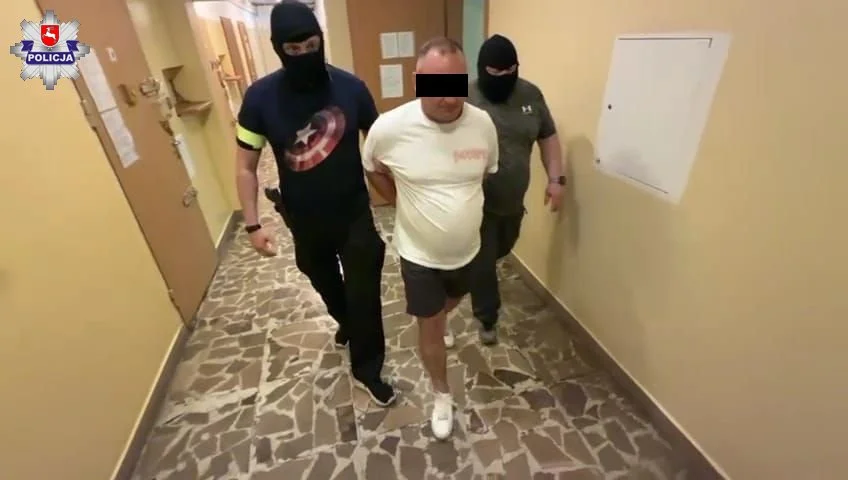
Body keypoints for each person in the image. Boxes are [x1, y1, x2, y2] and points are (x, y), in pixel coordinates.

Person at [234, 0, 395, 407]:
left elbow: (381, 147)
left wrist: (401, 194)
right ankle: (347, 323)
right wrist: (253, 224)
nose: (305, 54)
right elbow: (246, 167)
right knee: (321, 278)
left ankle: (368, 368)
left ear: (321, 39)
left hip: (353, 212)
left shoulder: (351, 88)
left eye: (311, 45)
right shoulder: (259, 99)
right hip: (304, 218)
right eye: (294, 49)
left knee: (364, 291)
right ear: (278, 49)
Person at [362, 37, 499, 439]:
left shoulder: (482, 124)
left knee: (449, 304)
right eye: (437, 86)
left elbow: (484, 173)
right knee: (431, 327)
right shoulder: (390, 128)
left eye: (457, 84)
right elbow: (372, 166)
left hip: (468, 250)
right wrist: (399, 200)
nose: (448, 98)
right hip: (419, 253)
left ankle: (440, 314)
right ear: (417, 81)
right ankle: (441, 394)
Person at [452, 33, 566, 346]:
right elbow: (427, 115)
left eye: (510, 71)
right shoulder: (464, 94)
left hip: (513, 201)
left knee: (502, 248)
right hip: (478, 201)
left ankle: (469, 274)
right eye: (495, 72)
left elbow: (548, 137)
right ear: (481, 68)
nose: (503, 77)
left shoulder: (531, 94)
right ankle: (487, 317)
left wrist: (556, 180)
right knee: (484, 260)